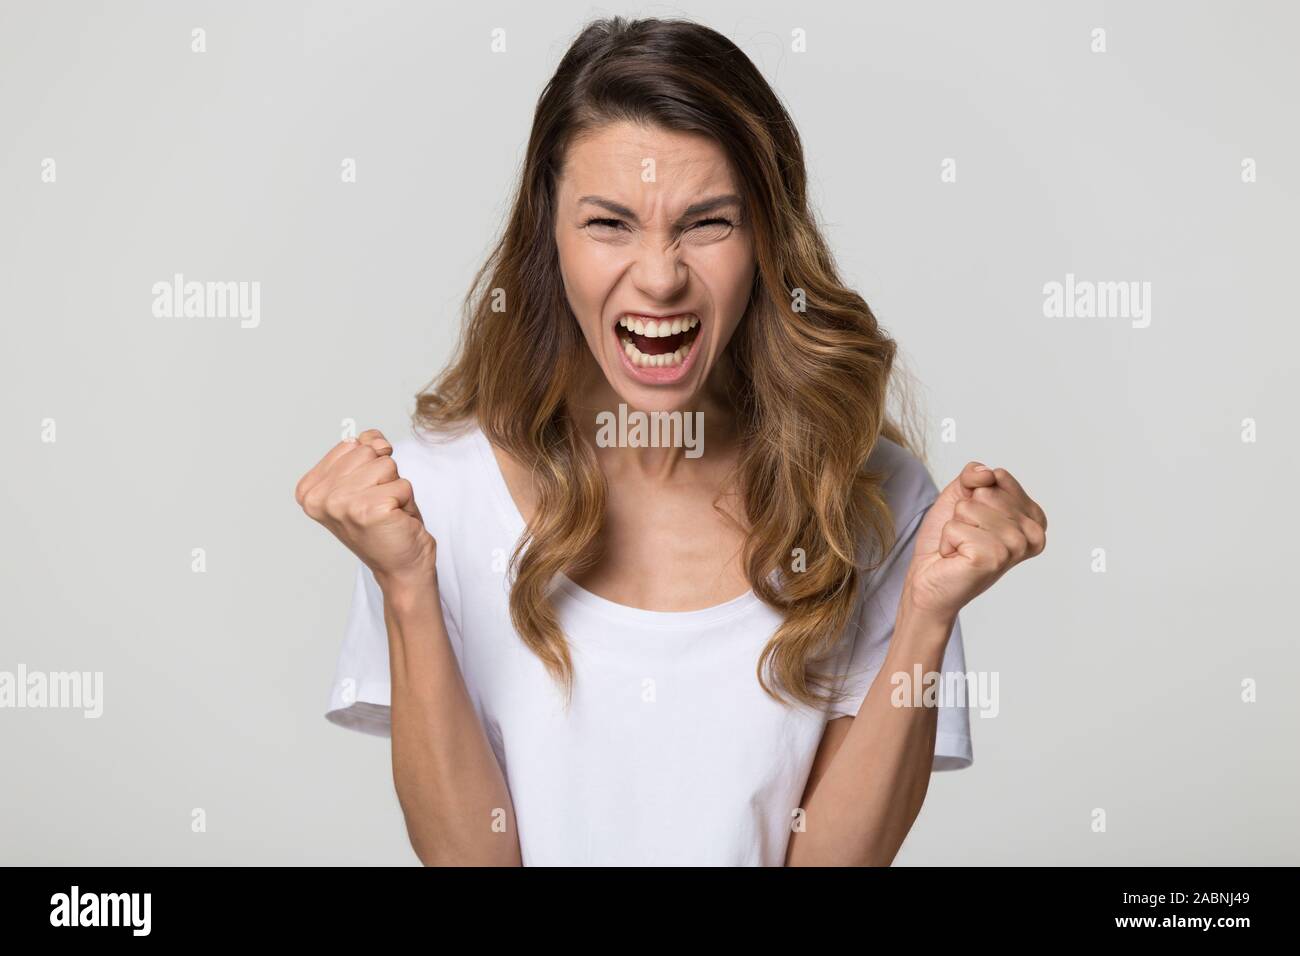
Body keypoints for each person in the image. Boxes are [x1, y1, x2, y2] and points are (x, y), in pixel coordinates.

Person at [294, 16, 1047, 866]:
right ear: (549, 233)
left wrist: (926, 615)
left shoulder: (866, 498)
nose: (659, 276)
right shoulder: (434, 498)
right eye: (609, 223)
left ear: (768, 236)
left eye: (708, 223)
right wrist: (405, 587)